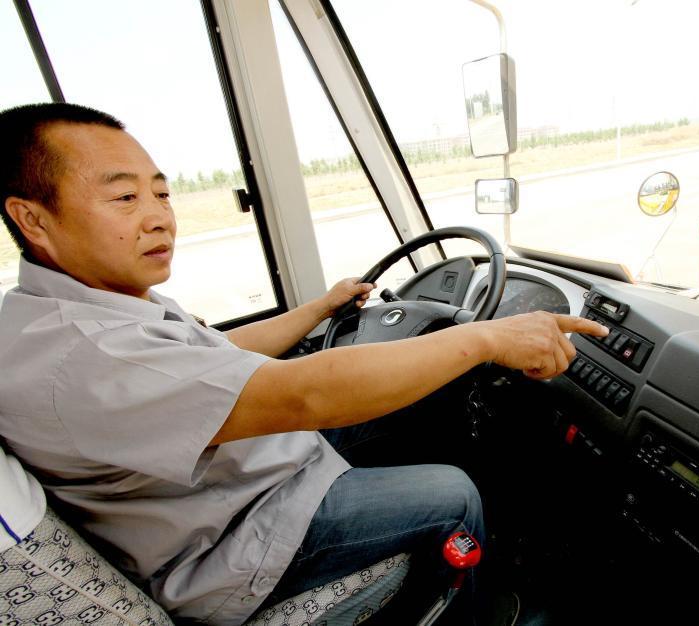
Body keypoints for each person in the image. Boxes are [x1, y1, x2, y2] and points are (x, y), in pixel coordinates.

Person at [0, 103, 607, 625]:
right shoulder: (81, 353)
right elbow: (302, 398)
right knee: (451, 490)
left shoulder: (83, 306)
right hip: (236, 544)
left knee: (420, 399)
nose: (159, 215)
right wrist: (483, 340)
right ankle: (475, 610)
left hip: (236, 485)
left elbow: (220, 354)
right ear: (33, 219)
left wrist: (321, 307)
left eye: (160, 192)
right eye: (125, 197)